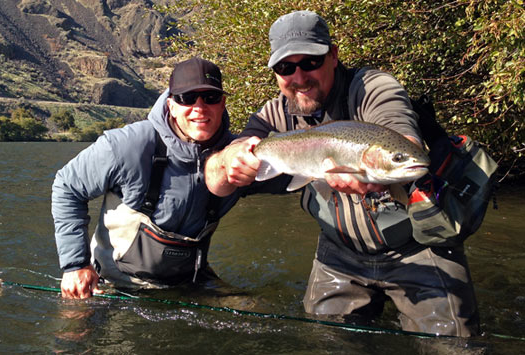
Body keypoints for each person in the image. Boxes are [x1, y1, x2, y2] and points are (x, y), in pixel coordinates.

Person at [205, 11, 480, 337]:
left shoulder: (372, 87)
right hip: (339, 255)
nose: (299, 76)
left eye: (310, 62)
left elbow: (403, 134)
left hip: (418, 248)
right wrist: (229, 161)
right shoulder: (273, 117)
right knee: (328, 341)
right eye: (285, 68)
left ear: (333, 55)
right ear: (276, 73)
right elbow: (215, 182)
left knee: (453, 345)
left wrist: (382, 165)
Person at [52, 57, 241, 299]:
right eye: (187, 98)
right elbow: (67, 187)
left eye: (210, 98)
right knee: (76, 332)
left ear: (223, 103)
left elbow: (290, 177)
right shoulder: (126, 145)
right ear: (171, 105)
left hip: (190, 284)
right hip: (114, 285)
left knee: (255, 308)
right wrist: (75, 265)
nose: (200, 107)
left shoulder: (238, 155)